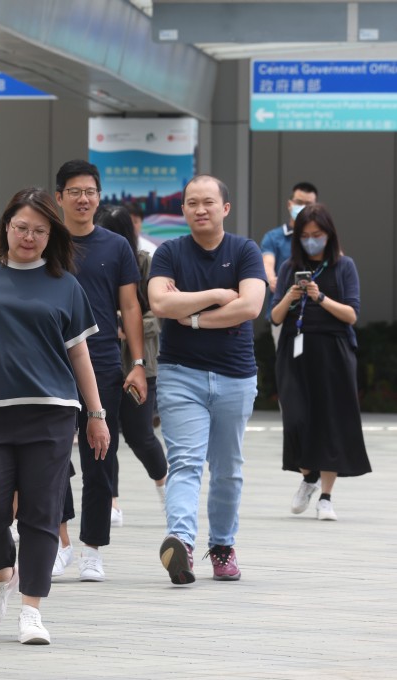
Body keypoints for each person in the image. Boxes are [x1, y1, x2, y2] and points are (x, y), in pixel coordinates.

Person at [0, 187, 110, 646]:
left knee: (41, 513)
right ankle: (0, 576)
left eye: (39, 230)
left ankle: (32, 610)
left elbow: (80, 354)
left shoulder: (65, 285)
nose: (29, 237)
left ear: (53, 234)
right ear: (6, 226)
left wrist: (96, 413)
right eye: (21, 228)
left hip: (50, 414)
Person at [148, 175, 266, 585]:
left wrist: (193, 317)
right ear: (182, 209)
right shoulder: (169, 253)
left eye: (208, 203)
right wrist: (218, 294)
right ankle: (180, 543)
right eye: (191, 203)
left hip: (236, 376)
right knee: (185, 462)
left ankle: (222, 546)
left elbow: (250, 306)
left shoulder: (245, 250)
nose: (200, 209)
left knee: (228, 467)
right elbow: (161, 302)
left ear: (225, 208)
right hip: (181, 374)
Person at [53, 160, 146, 582]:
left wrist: (139, 364)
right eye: (74, 191)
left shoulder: (116, 247)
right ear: (59, 197)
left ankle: (93, 549)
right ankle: (61, 543)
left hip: (104, 361)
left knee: (100, 458)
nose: (84, 199)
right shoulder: (47, 242)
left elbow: (130, 307)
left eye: (90, 191)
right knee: (50, 458)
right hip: (50, 363)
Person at [270, 204, 370, 521]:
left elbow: (352, 315)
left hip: (334, 350)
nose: (312, 241)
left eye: (318, 235)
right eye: (306, 236)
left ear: (329, 235)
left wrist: (320, 297)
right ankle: (308, 476)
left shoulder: (344, 266)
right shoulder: (289, 267)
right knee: (296, 418)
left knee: (331, 422)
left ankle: (326, 496)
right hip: (295, 350)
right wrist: (291, 295)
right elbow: (274, 316)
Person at [93, 205, 167, 522]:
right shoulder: (90, 259)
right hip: (101, 360)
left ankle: (166, 487)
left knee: (140, 435)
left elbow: (159, 313)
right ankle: (111, 501)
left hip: (140, 364)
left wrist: (129, 323)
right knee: (104, 434)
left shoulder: (145, 263)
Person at [260, 182, 318, 346]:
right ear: (289, 204)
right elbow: (267, 262)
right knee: (287, 366)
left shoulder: (321, 237)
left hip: (318, 311)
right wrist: (271, 279)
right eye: (299, 202)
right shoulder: (273, 237)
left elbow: (337, 261)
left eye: (309, 204)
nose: (303, 207)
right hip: (283, 312)